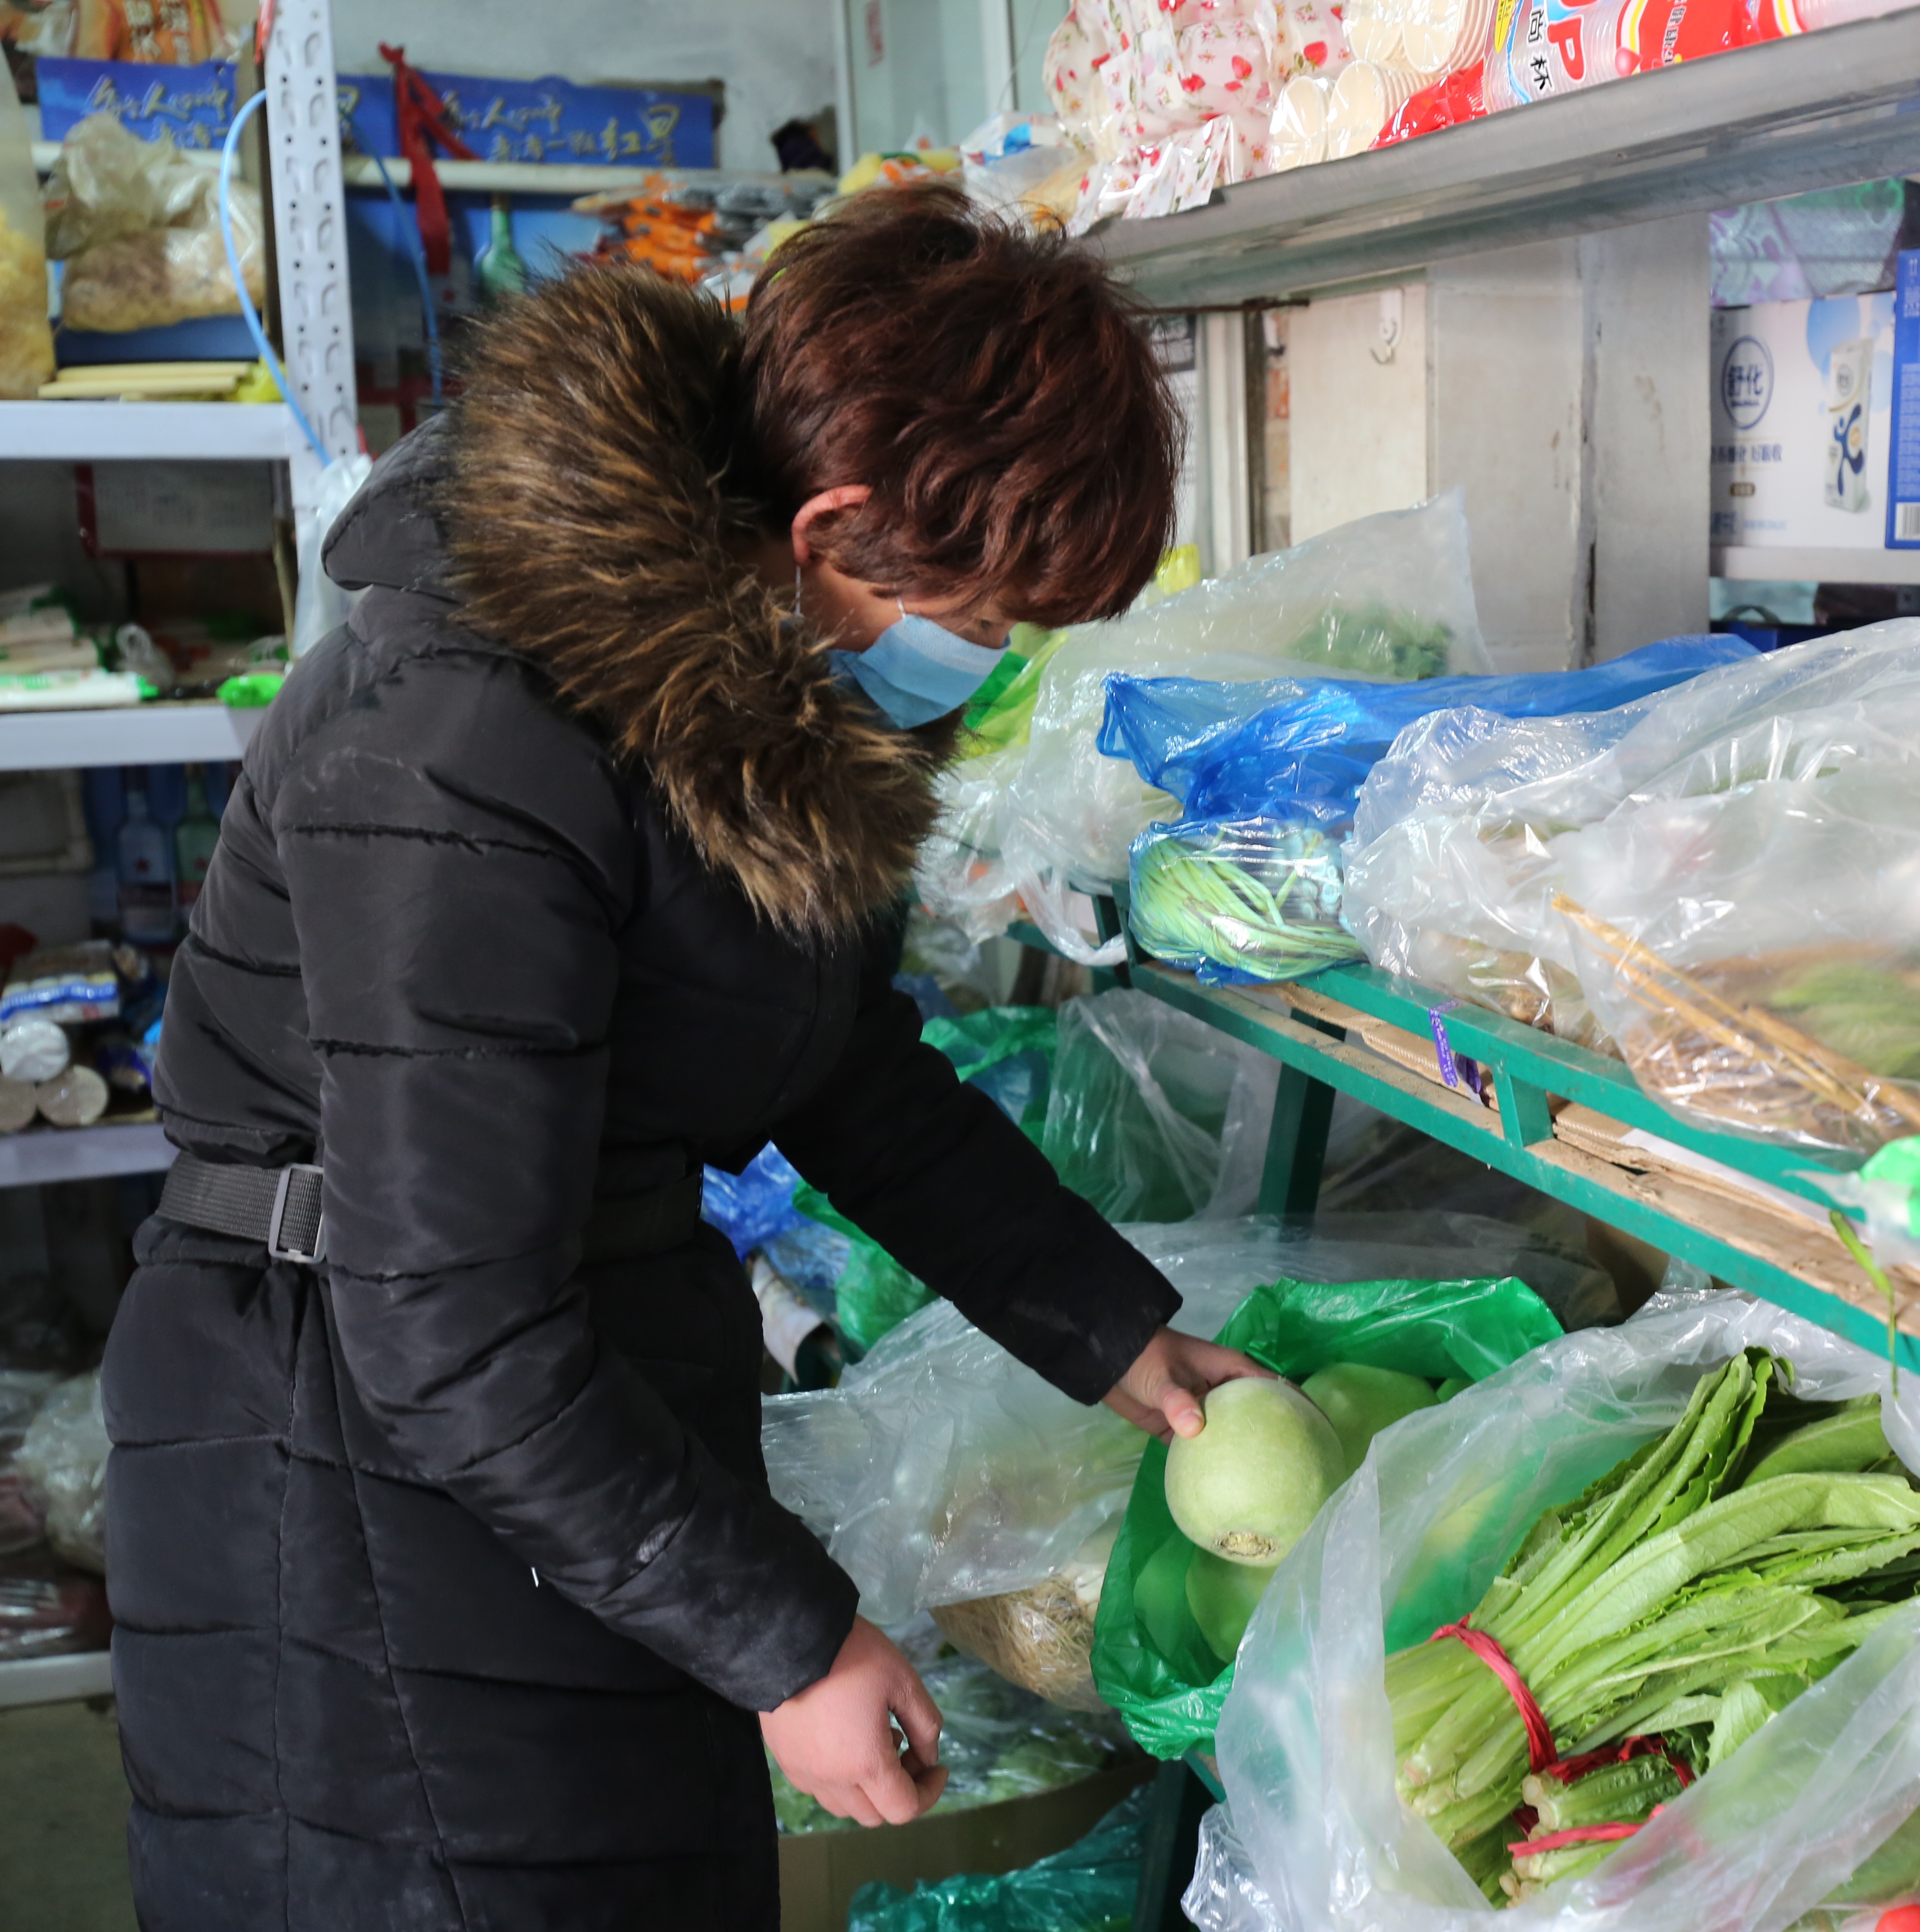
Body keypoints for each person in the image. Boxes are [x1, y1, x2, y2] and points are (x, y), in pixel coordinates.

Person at [104, 186, 1261, 1930]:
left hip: (577, 1402)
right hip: (341, 1459)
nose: (987, 663)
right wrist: (790, 1640)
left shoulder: (763, 708)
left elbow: (841, 1070)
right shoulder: (463, 732)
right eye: (982, 613)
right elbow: (450, 1321)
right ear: (833, 523)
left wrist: (1117, 1335)